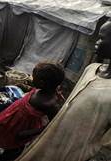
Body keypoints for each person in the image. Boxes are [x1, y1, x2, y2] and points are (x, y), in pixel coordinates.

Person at [16, 21, 111, 161]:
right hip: (55, 134)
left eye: (102, 38)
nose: (96, 42)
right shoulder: (91, 69)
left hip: (77, 151)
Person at [0, 62, 65, 161]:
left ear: (42, 82)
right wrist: (25, 87)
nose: (32, 79)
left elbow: (52, 124)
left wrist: (27, 133)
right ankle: (5, 154)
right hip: (16, 122)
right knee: (10, 142)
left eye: (34, 78)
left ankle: (5, 158)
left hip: (22, 129)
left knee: (15, 148)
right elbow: (33, 91)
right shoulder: (44, 90)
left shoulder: (49, 104)